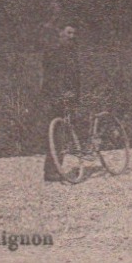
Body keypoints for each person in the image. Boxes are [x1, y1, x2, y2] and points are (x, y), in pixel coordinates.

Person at [42, 23, 81, 182]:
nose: (72, 36)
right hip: (54, 96)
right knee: (55, 134)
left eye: (74, 33)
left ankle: (56, 169)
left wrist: (75, 95)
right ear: (60, 33)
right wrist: (59, 93)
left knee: (63, 133)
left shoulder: (72, 52)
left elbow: (75, 77)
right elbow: (51, 76)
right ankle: (51, 171)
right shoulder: (53, 51)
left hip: (69, 96)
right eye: (69, 33)